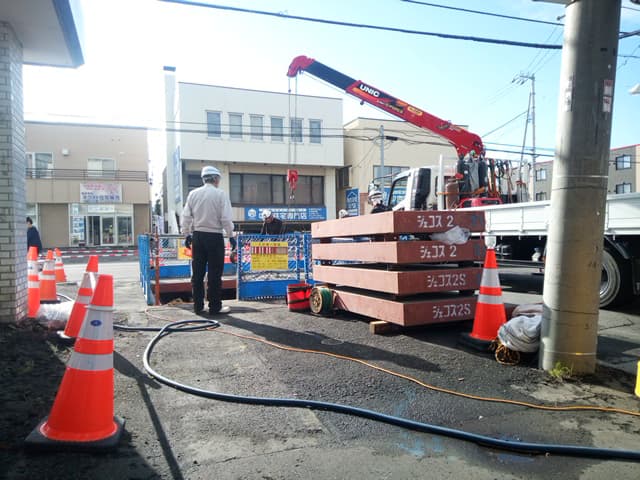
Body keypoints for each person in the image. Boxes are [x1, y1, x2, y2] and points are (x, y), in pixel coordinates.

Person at [182, 166, 234, 315]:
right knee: (214, 274)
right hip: (215, 236)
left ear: (204, 179)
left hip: (198, 236)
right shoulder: (220, 194)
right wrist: (231, 235)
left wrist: (186, 234)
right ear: (216, 179)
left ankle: (198, 307)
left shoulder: (193, 194)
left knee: (197, 274)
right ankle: (214, 307)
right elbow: (226, 218)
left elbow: (186, 216)